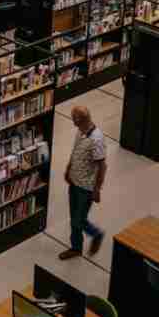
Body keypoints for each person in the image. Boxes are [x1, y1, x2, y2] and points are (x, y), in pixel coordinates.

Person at [59, 103, 107, 261]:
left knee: (79, 219)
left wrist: (97, 190)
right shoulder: (80, 131)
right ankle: (76, 248)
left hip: (85, 187)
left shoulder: (97, 139)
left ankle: (96, 234)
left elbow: (102, 166)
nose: (72, 122)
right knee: (74, 218)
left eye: (74, 119)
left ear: (81, 119)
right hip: (74, 182)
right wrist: (68, 169)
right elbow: (75, 153)